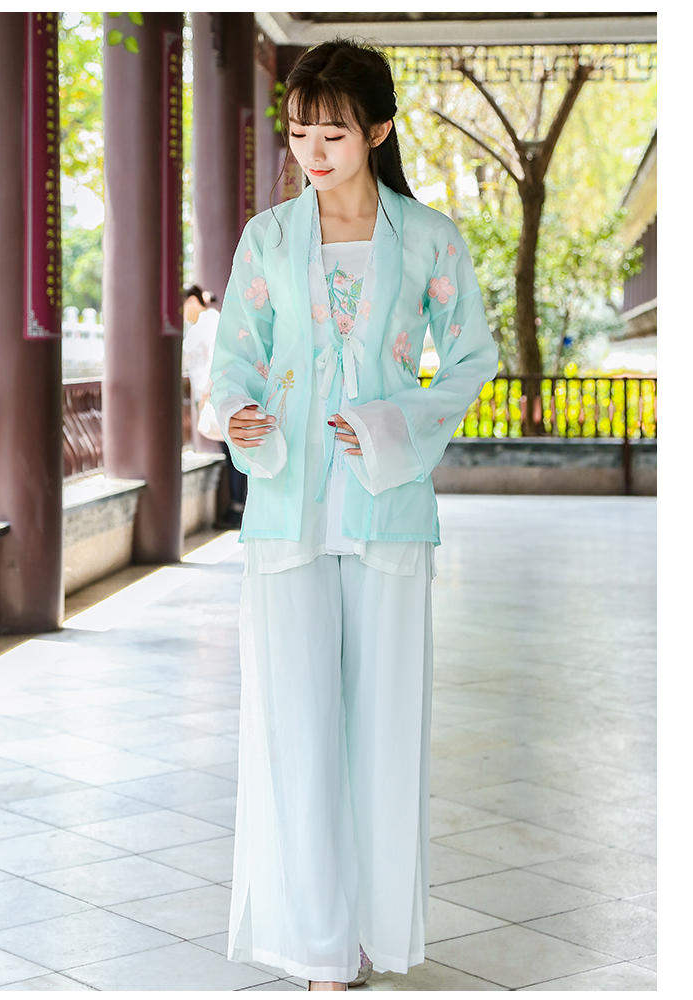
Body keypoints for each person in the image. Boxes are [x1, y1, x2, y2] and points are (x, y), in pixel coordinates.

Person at [209, 40, 498, 991]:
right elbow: (236, 357)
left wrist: (391, 423)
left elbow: (470, 360)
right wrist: (238, 413)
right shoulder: (267, 239)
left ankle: (373, 929)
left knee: (382, 733)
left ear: (378, 130)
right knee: (296, 732)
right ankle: (320, 946)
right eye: (299, 134)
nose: (312, 152)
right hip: (286, 509)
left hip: (387, 510)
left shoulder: (430, 240)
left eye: (332, 134)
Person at [183, 284, 247, 527]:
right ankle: (238, 507)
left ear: (191, 301)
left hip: (218, 394)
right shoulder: (200, 323)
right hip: (211, 395)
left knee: (234, 452)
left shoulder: (210, 320)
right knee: (230, 452)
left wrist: (207, 391)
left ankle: (238, 508)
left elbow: (217, 355)